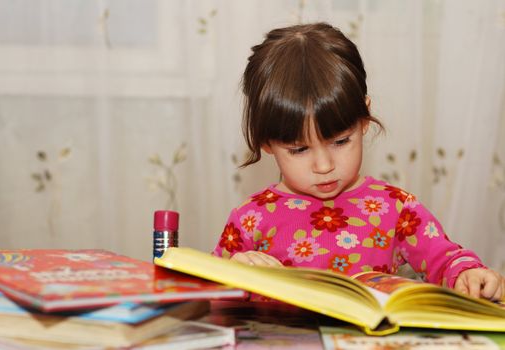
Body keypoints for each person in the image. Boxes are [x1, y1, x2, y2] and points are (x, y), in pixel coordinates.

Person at [212, 22, 504, 301]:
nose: (324, 166)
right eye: (299, 150)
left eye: (340, 142)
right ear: (267, 143)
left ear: (364, 120)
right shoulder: (250, 219)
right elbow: (201, 294)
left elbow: (445, 258)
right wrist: (232, 275)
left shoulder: (396, 208)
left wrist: (468, 274)